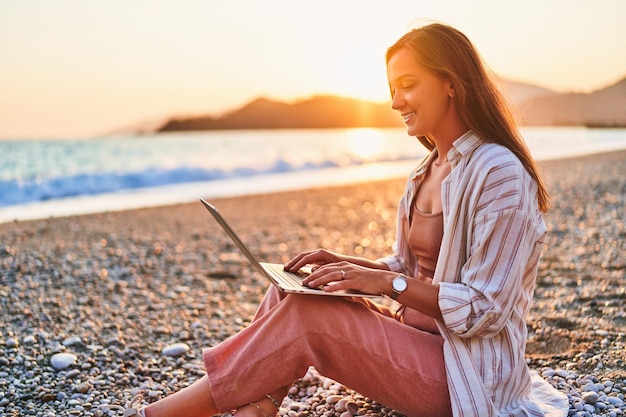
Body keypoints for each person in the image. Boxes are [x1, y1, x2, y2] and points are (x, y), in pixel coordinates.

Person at [123, 22, 568, 417]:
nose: (396, 102)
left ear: (450, 83)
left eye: (408, 85)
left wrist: (381, 284)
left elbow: (486, 310)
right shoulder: (427, 169)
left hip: (464, 378)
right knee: (290, 294)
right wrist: (352, 267)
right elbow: (411, 270)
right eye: (392, 88)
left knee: (309, 320)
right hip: (415, 343)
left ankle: (161, 415)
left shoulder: (500, 172)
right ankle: (259, 408)